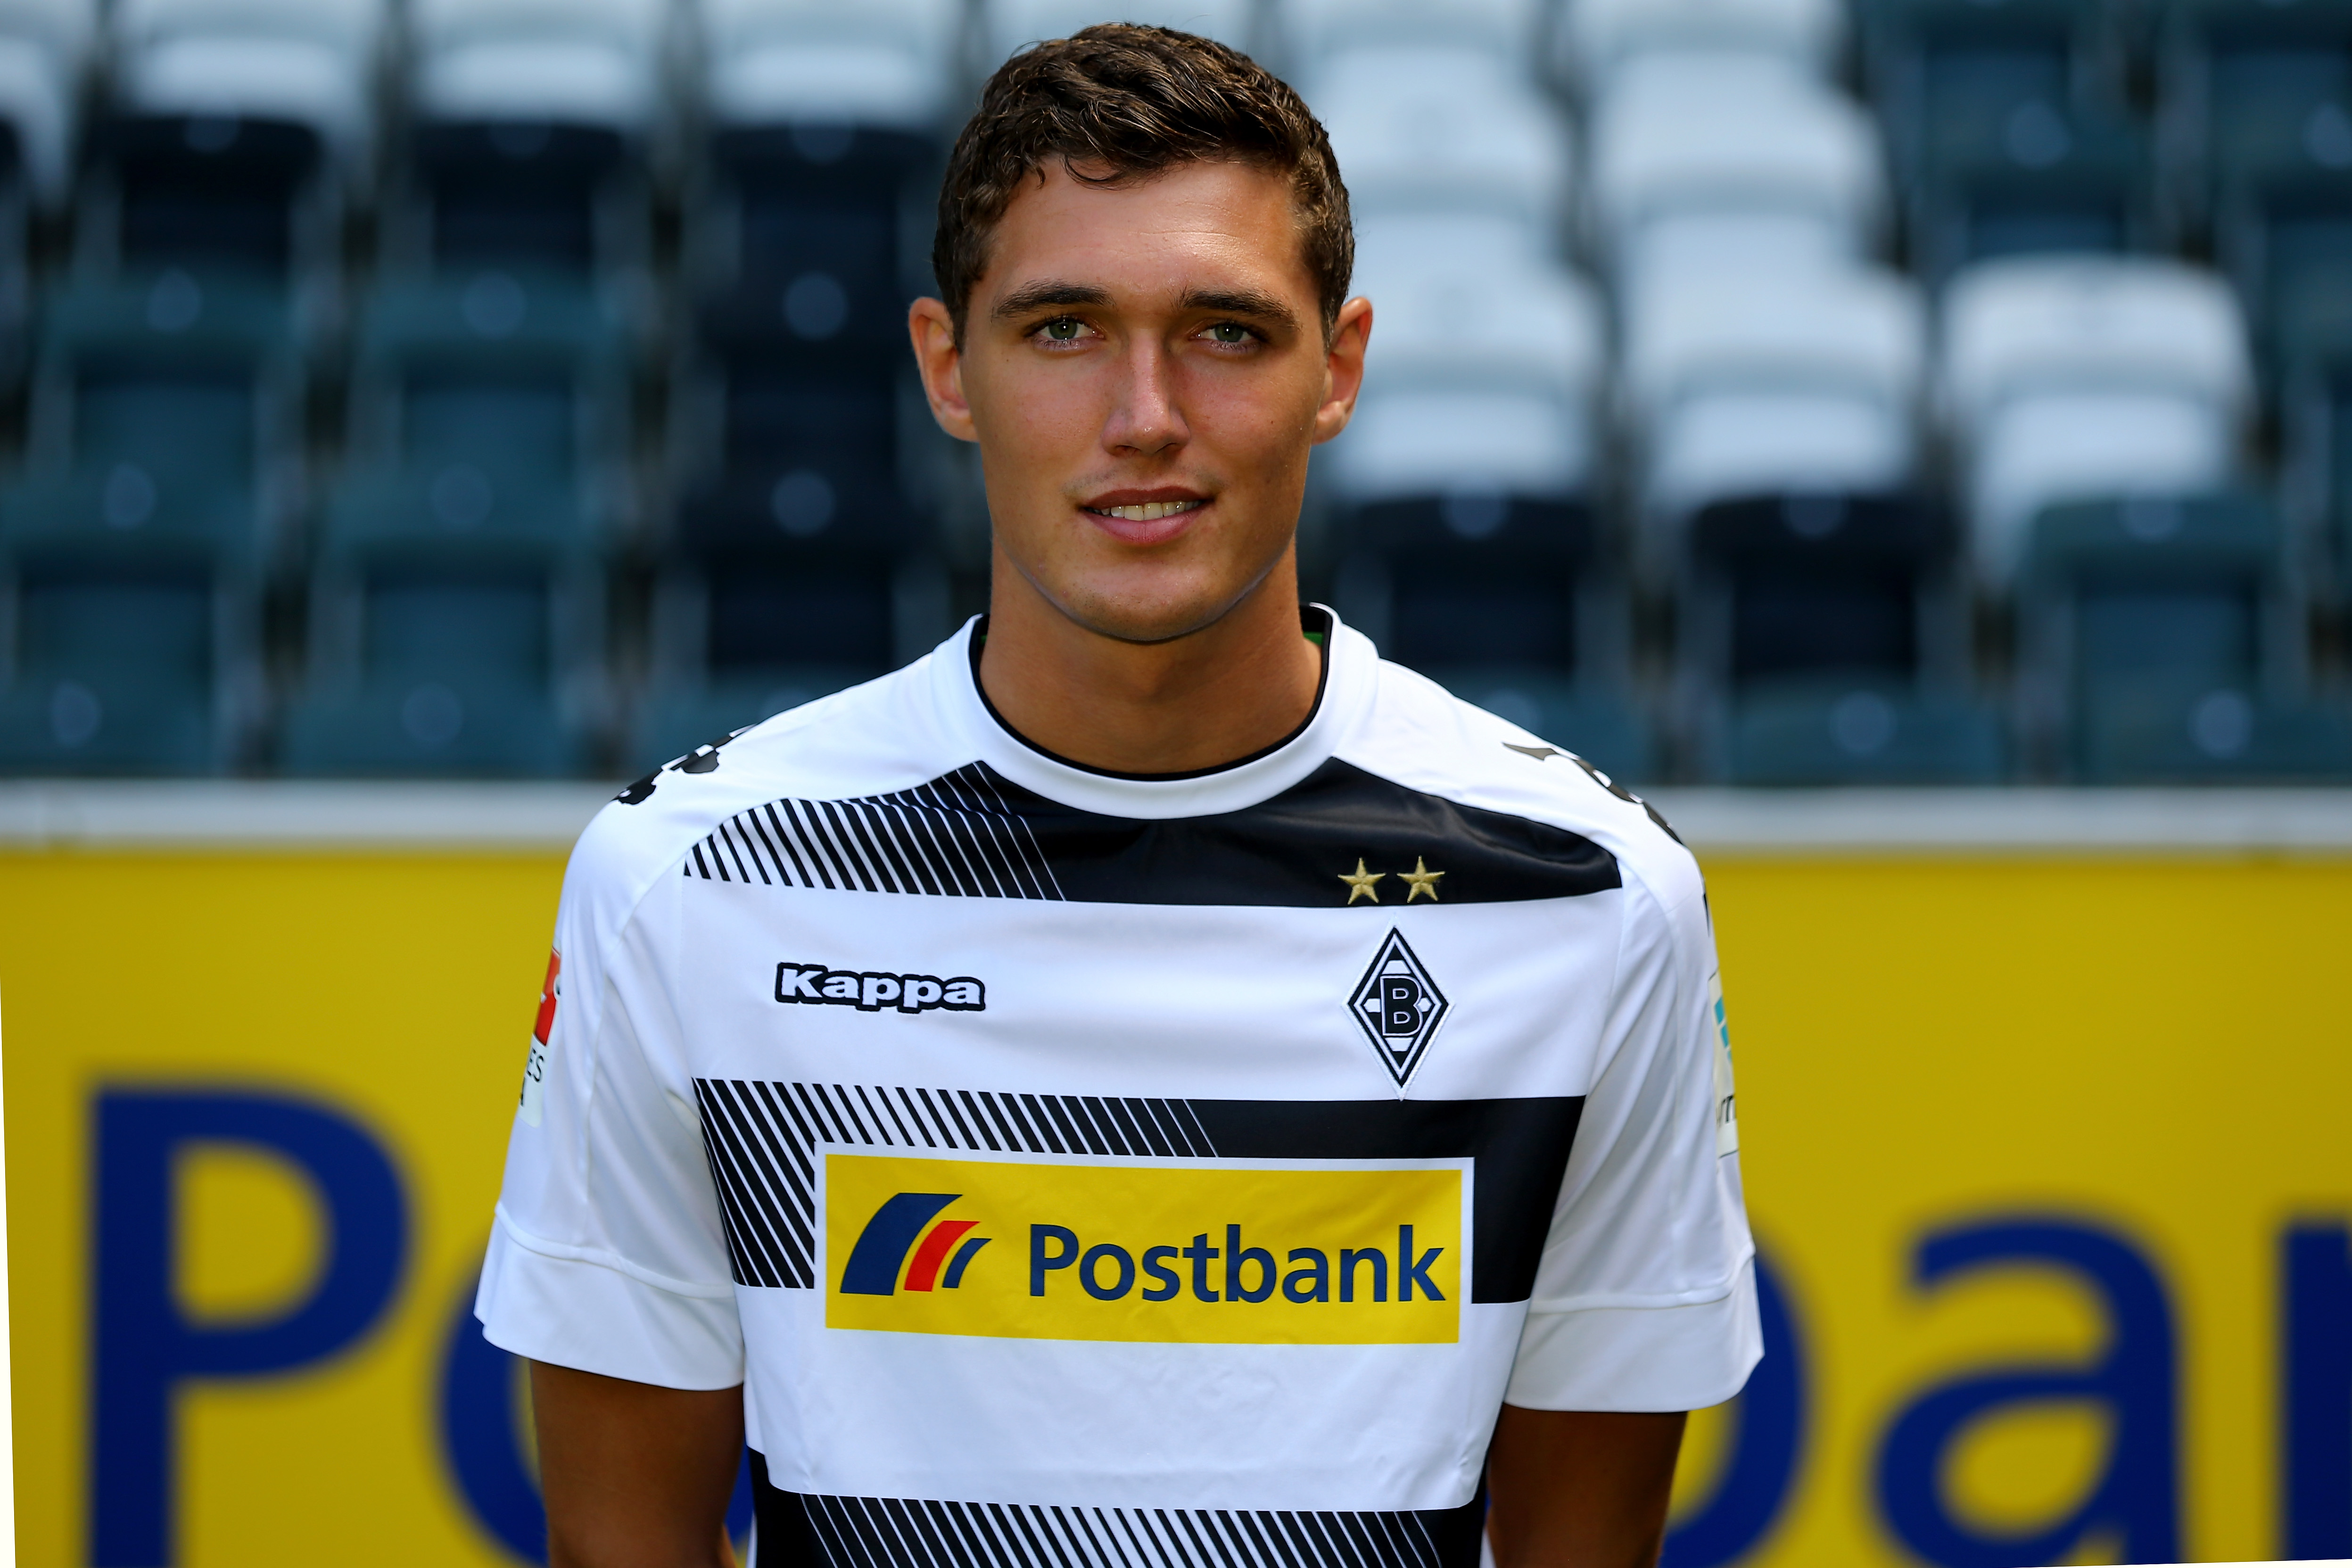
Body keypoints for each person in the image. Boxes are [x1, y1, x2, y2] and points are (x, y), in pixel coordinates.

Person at [478, 24, 1758, 1568]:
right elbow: (625, 1543)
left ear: (1337, 369)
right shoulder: (687, 885)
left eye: (1225, 331)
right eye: (1064, 329)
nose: (1145, 413)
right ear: (950, 370)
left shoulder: (1585, 897)